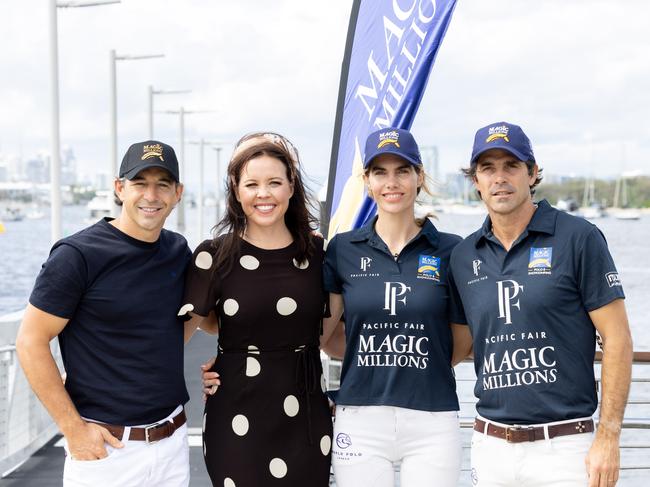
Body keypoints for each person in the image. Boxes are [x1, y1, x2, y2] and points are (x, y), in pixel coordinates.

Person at [449, 121, 634, 487]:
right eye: (488, 168)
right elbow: (456, 347)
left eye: (511, 166)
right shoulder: (462, 255)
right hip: (490, 447)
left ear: (532, 173)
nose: (499, 178)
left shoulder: (578, 238)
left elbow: (618, 340)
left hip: (565, 448)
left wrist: (609, 438)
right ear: (475, 181)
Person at [16, 140, 191, 487]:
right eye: (140, 183)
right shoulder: (77, 255)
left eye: (163, 184)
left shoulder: (177, 249)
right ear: (119, 188)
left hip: (172, 442)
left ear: (178, 193)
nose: (151, 195)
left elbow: (182, 322)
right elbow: (30, 341)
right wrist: (73, 430)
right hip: (107, 452)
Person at [180, 132, 333, 487]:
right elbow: (178, 335)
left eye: (274, 182)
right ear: (236, 190)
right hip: (236, 415)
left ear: (291, 187)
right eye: (252, 184)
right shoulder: (213, 256)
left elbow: (334, 331)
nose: (263, 194)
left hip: (306, 416)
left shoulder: (319, 254)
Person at [319, 128, 466, 487]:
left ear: (419, 177)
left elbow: (460, 344)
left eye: (402, 170)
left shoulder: (452, 250)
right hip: (360, 417)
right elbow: (324, 335)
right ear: (367, 181)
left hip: (432, 417)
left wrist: (416, 360)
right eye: (380, 172)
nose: (392, 182)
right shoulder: (343, 249)